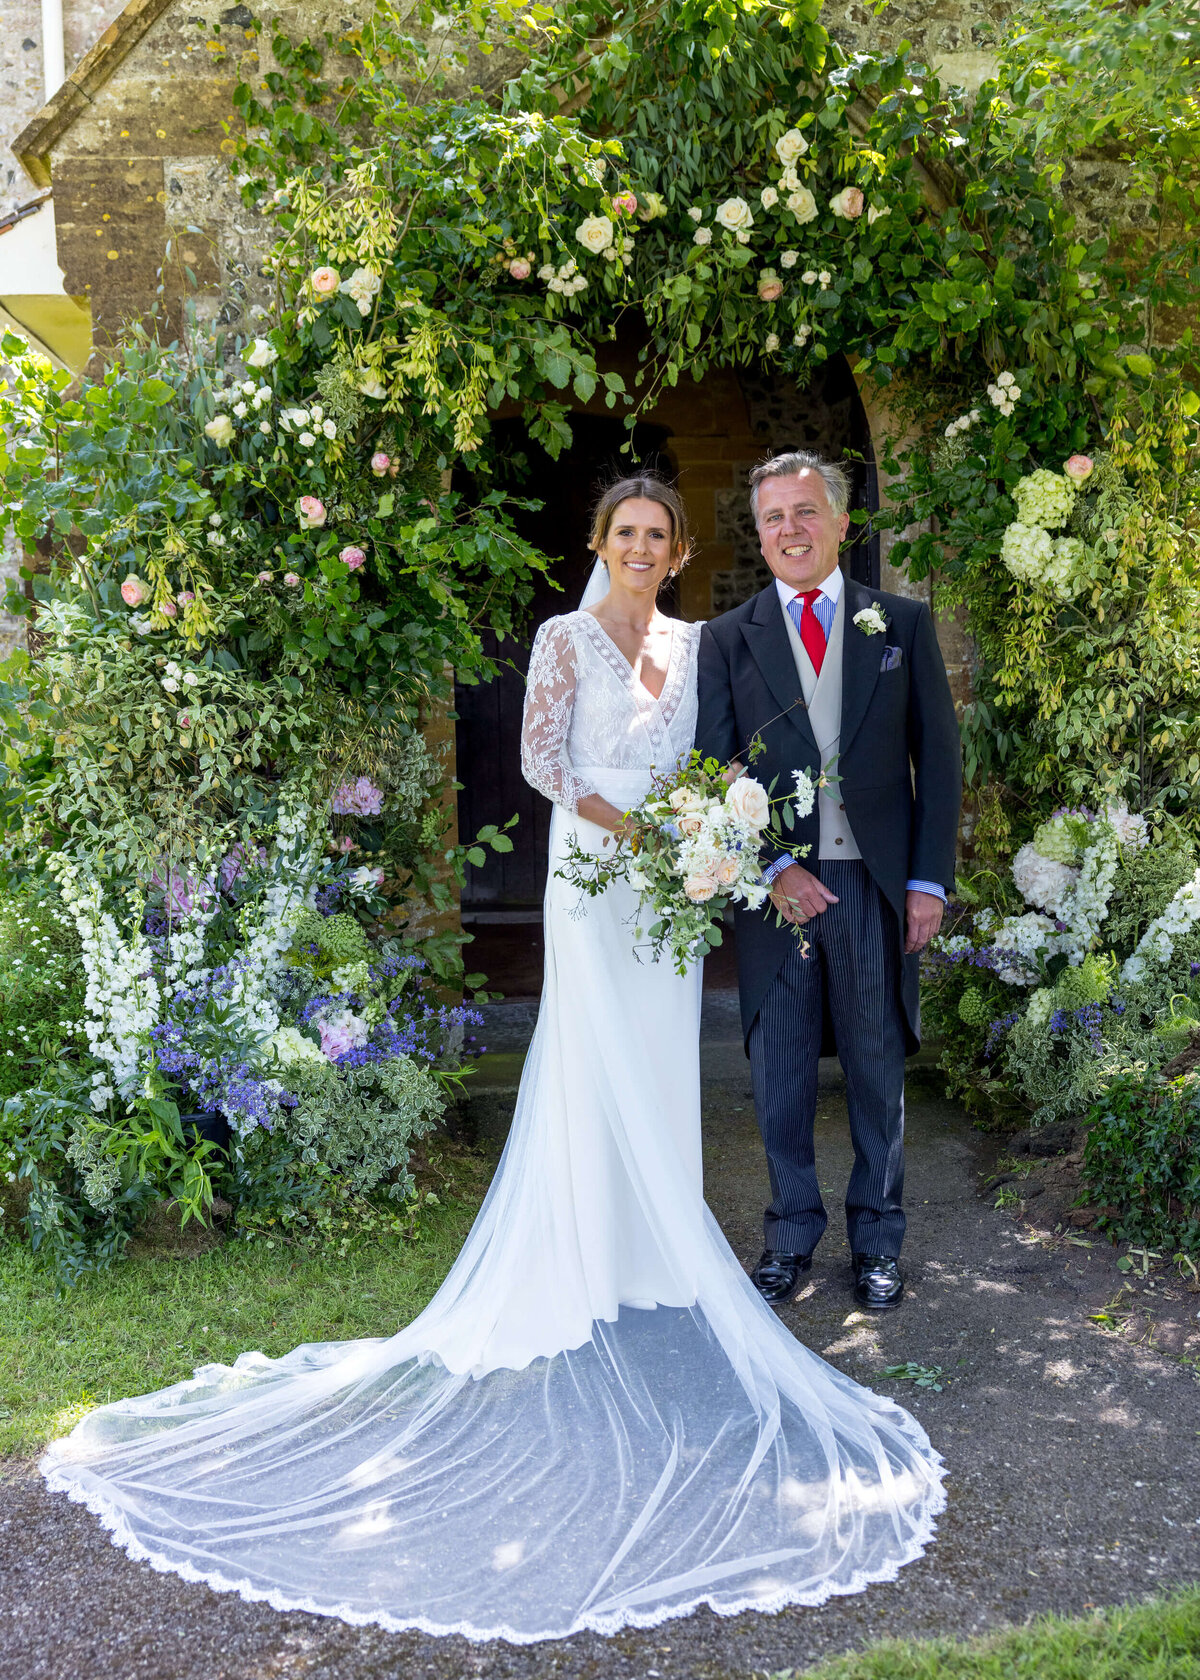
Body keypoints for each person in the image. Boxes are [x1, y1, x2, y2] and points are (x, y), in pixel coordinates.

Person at [41, 474, 945, 1644]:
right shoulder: (566, 637)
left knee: (675, 1055)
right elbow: (543, 764)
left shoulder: (700, 639)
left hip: (673, 886)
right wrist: (663, 830)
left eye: (656, 535)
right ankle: (593, 1251)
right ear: (599, 541)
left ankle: (673, 1242)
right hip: (596, 872)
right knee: (595, 1055)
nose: (638, 547)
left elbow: (723, 761)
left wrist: (703, 838)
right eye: (622, 531)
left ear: (676, 553)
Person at [696, 452, 962, 1313]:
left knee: (878, 1074)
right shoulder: (728, 637)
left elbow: (940, 762)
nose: (790, 530)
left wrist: (927, 882)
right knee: (780, 1078)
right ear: (760, 532)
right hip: (779, 897)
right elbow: (713, 768)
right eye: (774, 517)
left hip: (877, 890)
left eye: (806, 512)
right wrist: (774, 868)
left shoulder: (903, 624)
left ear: (843, 523)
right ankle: (788, 1238)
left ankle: (878, 1240)